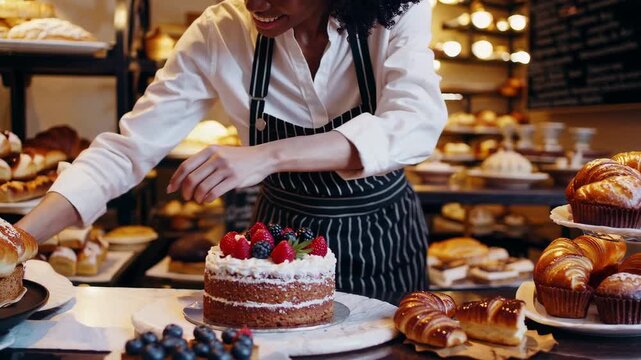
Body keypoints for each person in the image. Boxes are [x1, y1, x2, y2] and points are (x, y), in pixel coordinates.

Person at [17, 0, 446, 296]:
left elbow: (413, 125)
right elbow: (127, 152)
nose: (255, 4)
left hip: (381, 239)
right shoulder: (221, 31)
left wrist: (269, 155)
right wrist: (17, 240)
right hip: (274, 245)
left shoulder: (396, 13)